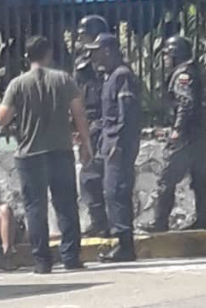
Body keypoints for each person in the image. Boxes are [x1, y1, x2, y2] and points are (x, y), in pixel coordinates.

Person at [0, 36, 92, 274]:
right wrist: (85, 143)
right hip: (60, 150)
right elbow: (79, 113)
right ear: (48, 52)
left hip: (29, 155)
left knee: (35, 208)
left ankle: (42, 262)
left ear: (27, 56)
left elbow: (2, 118)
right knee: (66, 205)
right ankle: (71, 257)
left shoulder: (17, 84)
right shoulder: (63, 80)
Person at [144, 36, 206, 232]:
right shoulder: (192, 71)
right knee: (199, 180)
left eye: (166, 54)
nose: (164, 58)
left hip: (186, 137)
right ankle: (203, 219)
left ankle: (159, 221)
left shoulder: (183, 74)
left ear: (175, 54)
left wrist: (177, 130)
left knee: (167, 179)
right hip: (198, 134)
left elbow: (185, 103)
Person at [86, 33, 142, 262]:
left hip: (119, 144)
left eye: (96, 50)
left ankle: (125, 244)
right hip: (108, 141)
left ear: (107, 50)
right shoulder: (110, 76)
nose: (92, 55)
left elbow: (125, 113)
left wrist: (117, 143)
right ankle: (117, 237)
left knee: (116, 191)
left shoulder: (122, 76)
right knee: (106, 188)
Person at [74, 15, 111, 238]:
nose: (79, 38)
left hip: (101, 124)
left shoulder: (104, 63)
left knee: (96, 176)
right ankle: (99, 221)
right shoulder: (82, 63)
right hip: (88, 124)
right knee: (89, 176)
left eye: (84, 34)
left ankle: (104, 222)